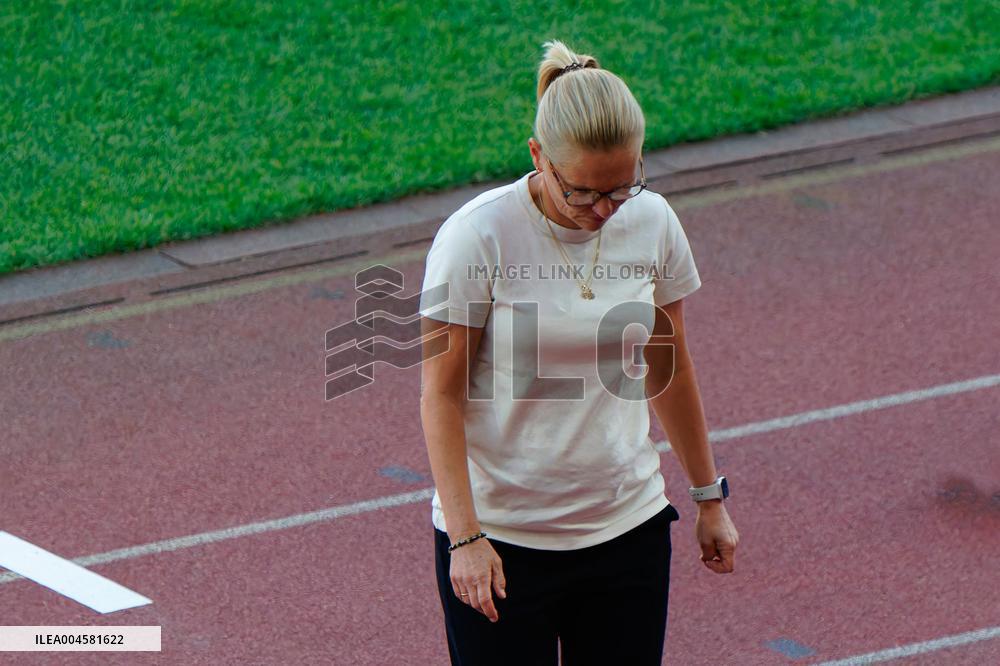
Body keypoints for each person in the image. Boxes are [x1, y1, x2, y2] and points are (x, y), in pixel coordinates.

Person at [418, 39, 739, 665]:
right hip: (502, 542)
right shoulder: (475, 237)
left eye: (622, 187)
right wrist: (465, 538)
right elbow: (440, 395)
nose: (604, 211)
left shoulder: (652, 221)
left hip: (627, 532)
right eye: (584, 194)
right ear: (538, 157)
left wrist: (708, 498)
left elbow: (668, 368)